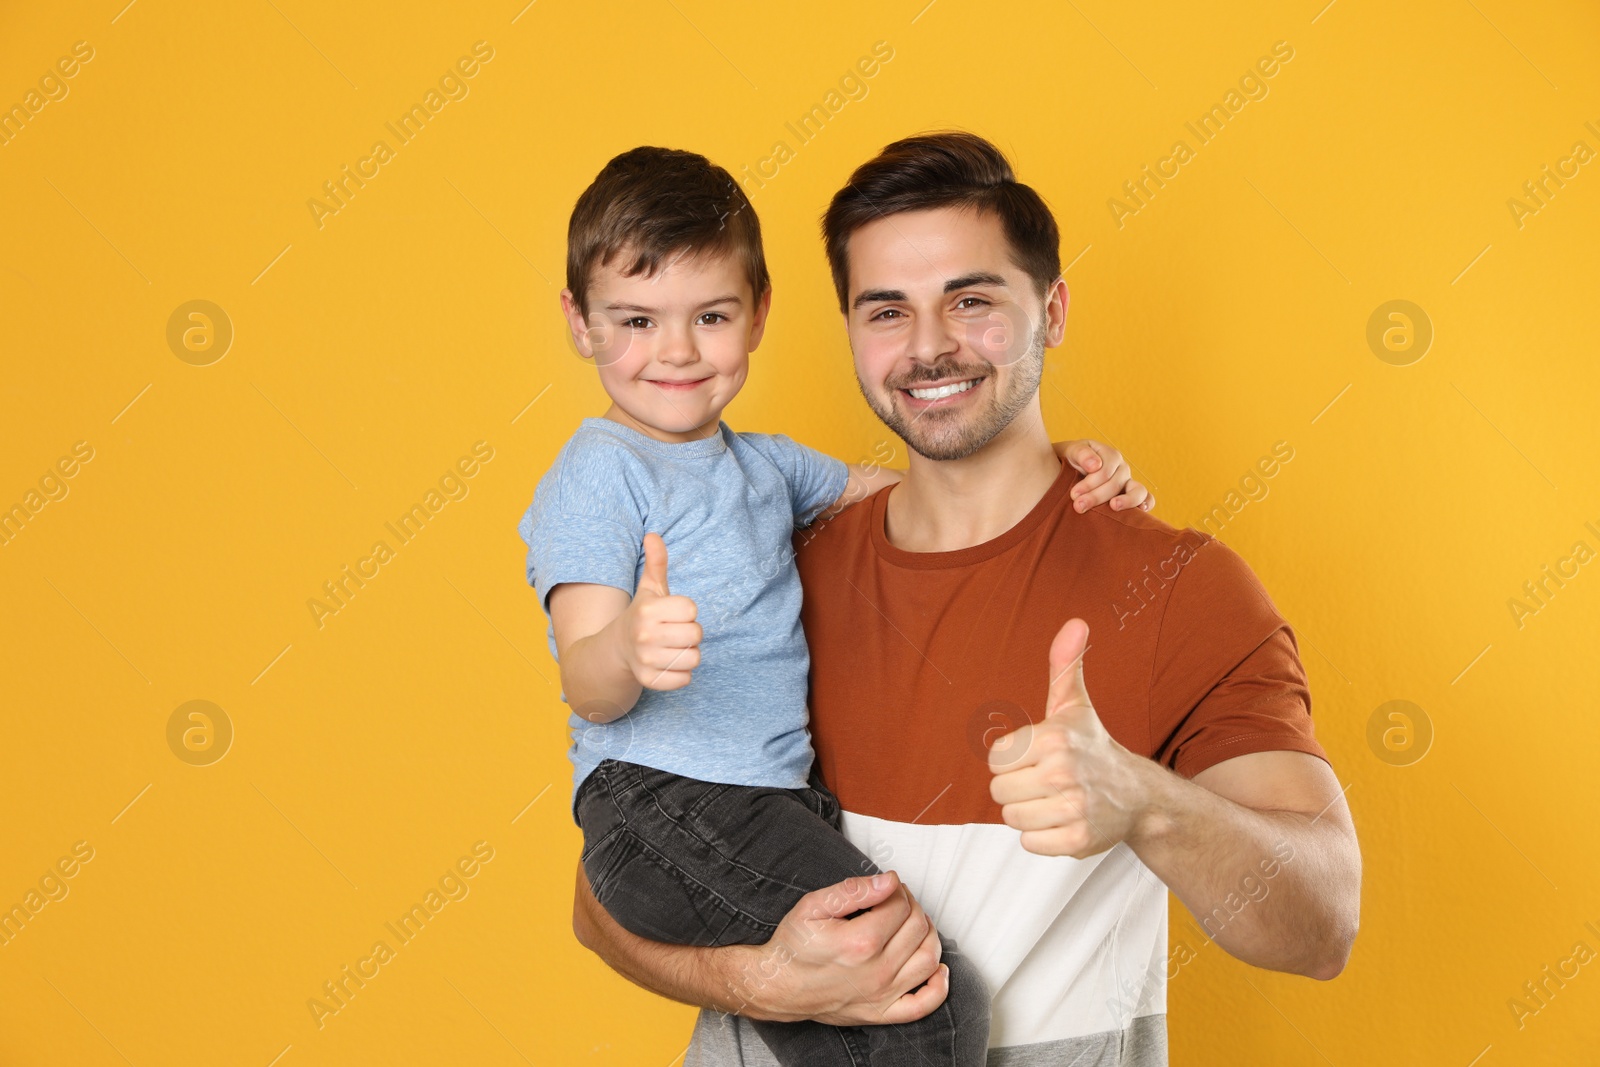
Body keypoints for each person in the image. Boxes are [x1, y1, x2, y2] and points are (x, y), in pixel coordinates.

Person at [571, 132, 1362, 1066]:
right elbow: (600, 899)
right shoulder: (772, 574)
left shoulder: (1182, 588)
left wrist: (1148, 803)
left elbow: (1322, 926)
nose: (929, 346)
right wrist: (761, 984)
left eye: (972, 300)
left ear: (1052, 309)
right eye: (886, 311)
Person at [518, 145, 1151, 1066]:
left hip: (766, 807)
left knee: (926, 1005)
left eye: (712, 316)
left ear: (760, 315)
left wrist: (1061, 470)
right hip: (663, 804)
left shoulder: (762, 462)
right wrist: (627, 647)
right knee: (922, 1002)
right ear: (579, 322)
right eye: (635, 320)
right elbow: (586, 683)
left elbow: (917, 489)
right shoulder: (598, 471)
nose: (678, 350)